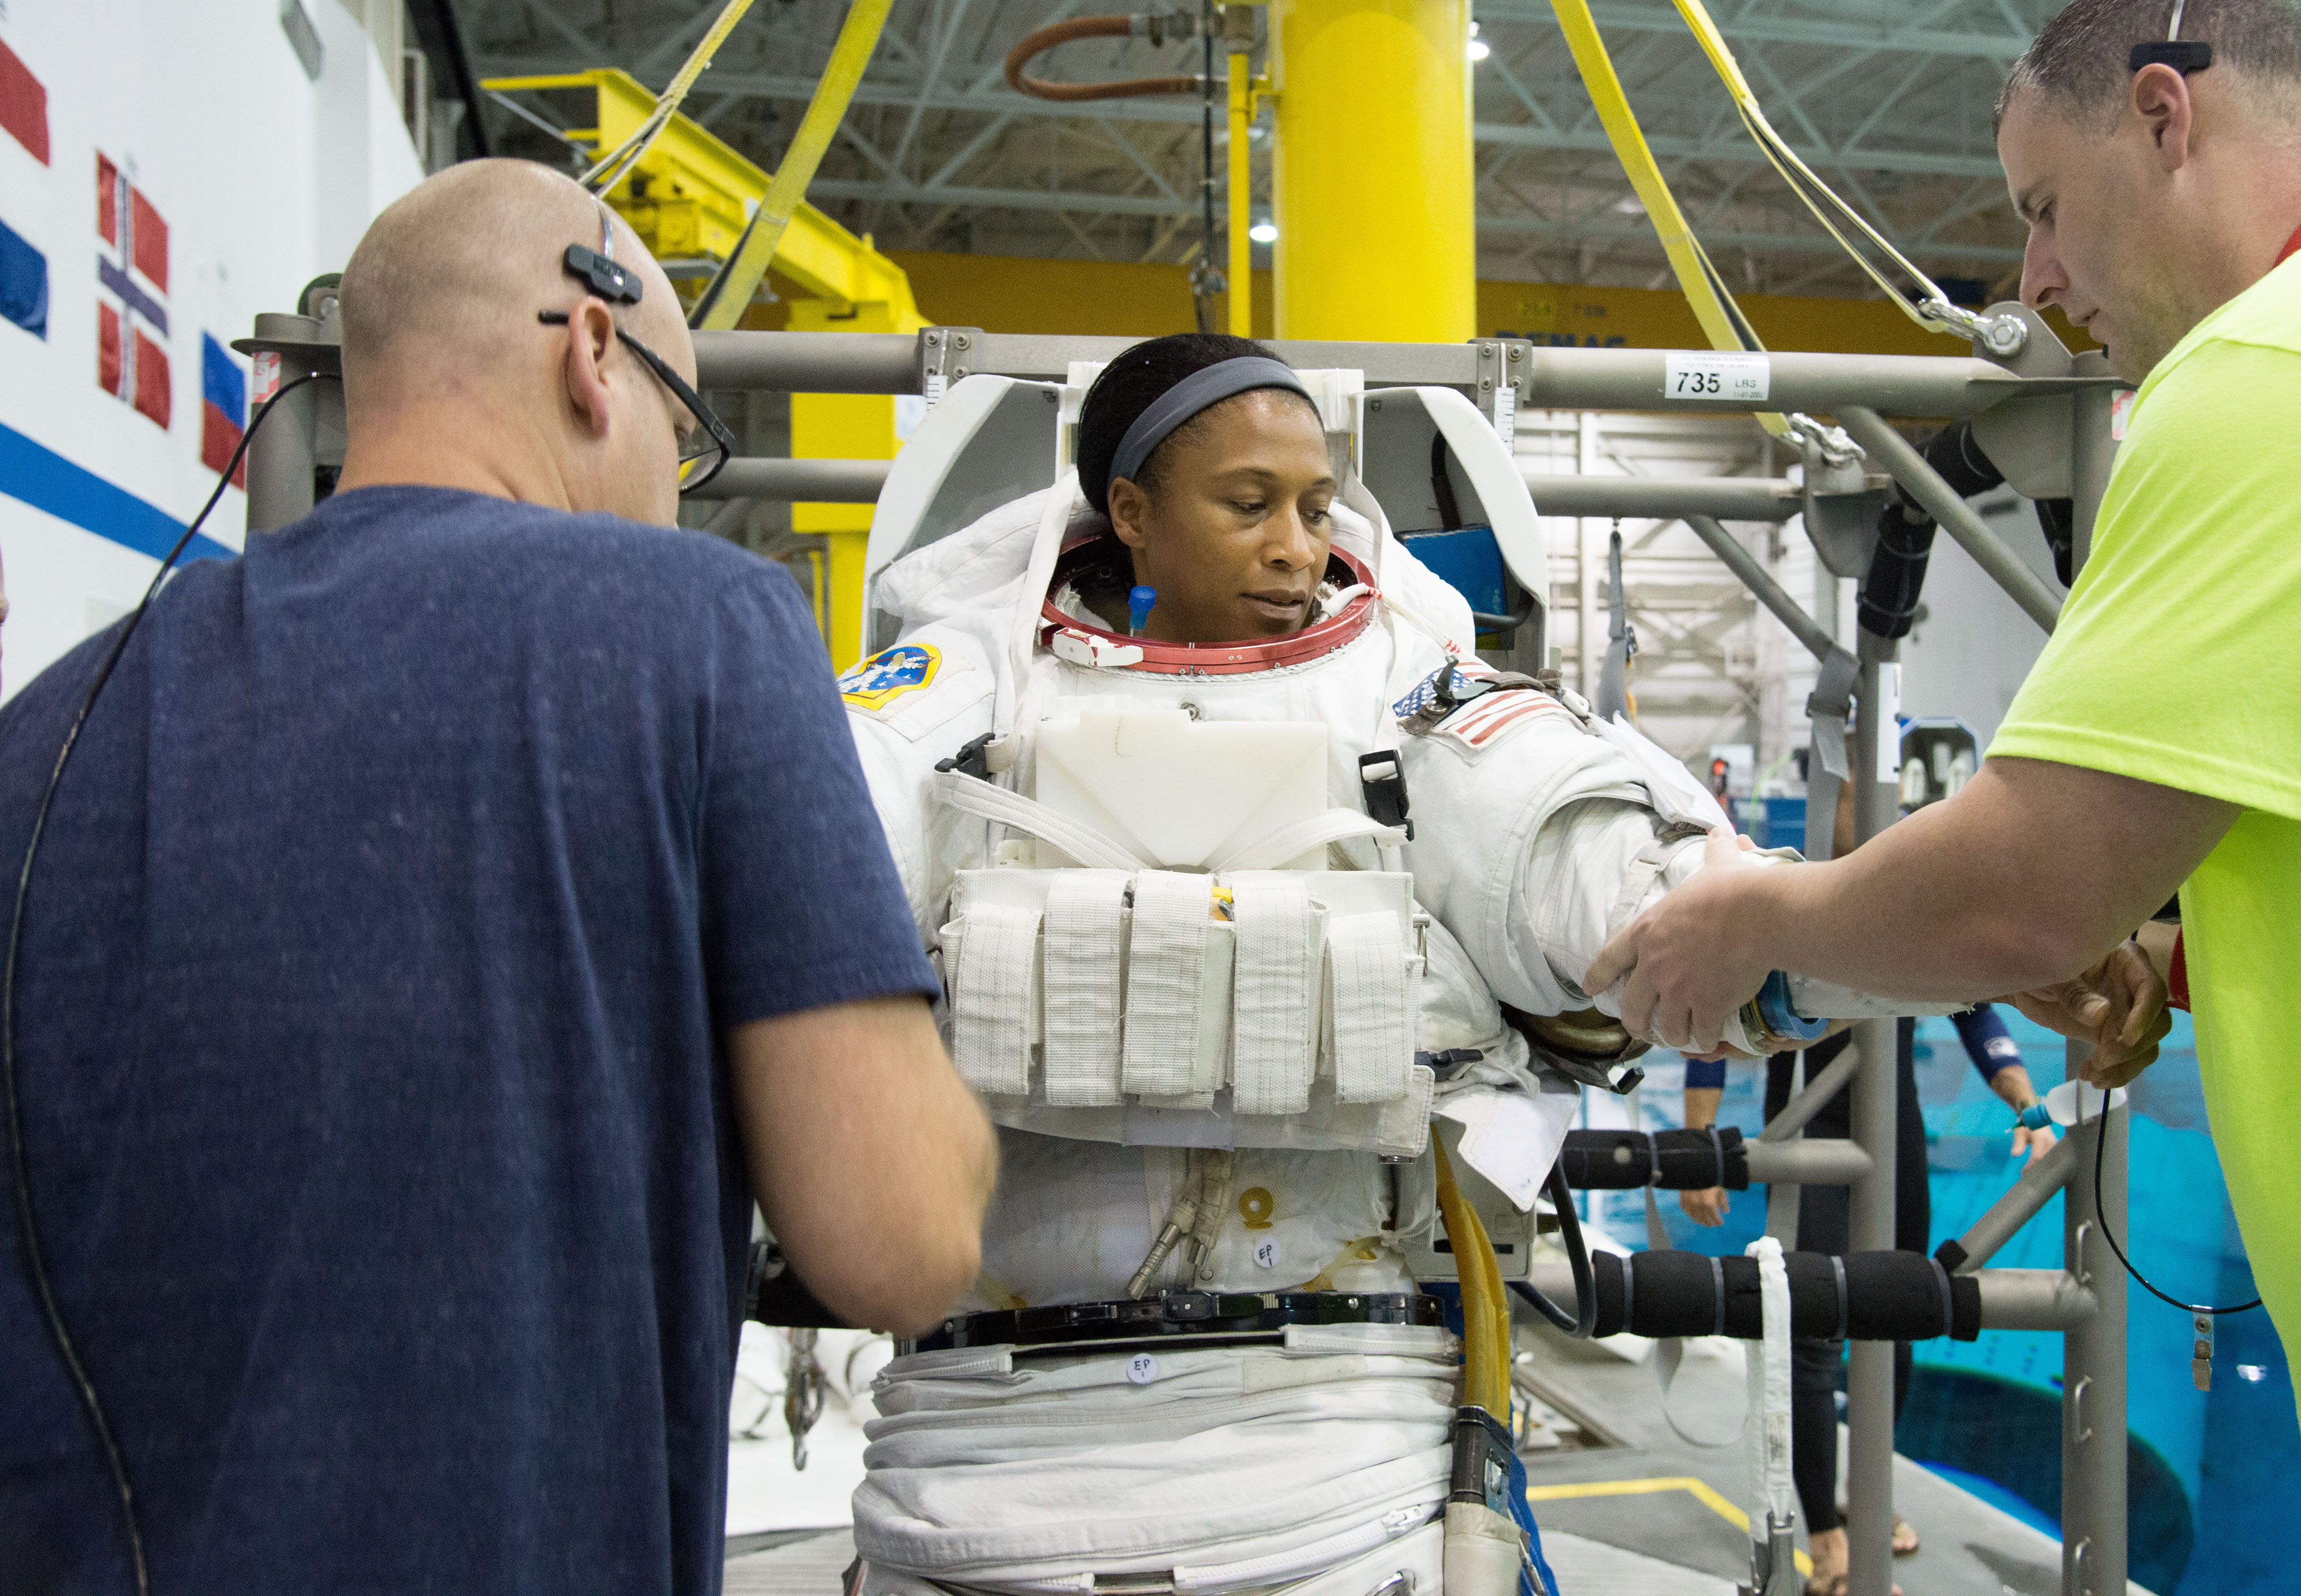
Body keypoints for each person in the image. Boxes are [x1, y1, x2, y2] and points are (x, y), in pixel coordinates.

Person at [1586, 0, 2301, 1594]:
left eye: (2043, 206)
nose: (2040, 276)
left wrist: (1754, 913)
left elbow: (2014, 895)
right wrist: (2187, 955)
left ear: (2161, 117)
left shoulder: (2298, 362)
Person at [0, 159, 995, 1593]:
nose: (672, 480)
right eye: (684, 424)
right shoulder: (700, 627)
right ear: (595, 350)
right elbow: (899, 1238)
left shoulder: (52, 724)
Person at [828, 331, 1951, 1595]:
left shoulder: (1410, 696)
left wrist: (1914, 938)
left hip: (1349, 1440)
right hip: (980, 1446)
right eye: (1248, 504)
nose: (1296, 544)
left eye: (1315, 505)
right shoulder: (968, 690)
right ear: (1129, 512)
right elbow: (793, 842)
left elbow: (1622, 877)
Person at [1681, 1009, 2052, 1594]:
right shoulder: (1789, 921)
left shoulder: (1917, 926)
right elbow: (1710, 1020)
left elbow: (1976, 1010)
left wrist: (2028, 1107)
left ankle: (1868, 1496)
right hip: (1809, 1127)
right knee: (1813, 1335)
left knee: (1902, 1316)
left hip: (1894, 1131)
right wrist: (1698, 1146)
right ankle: (1827, 1543)